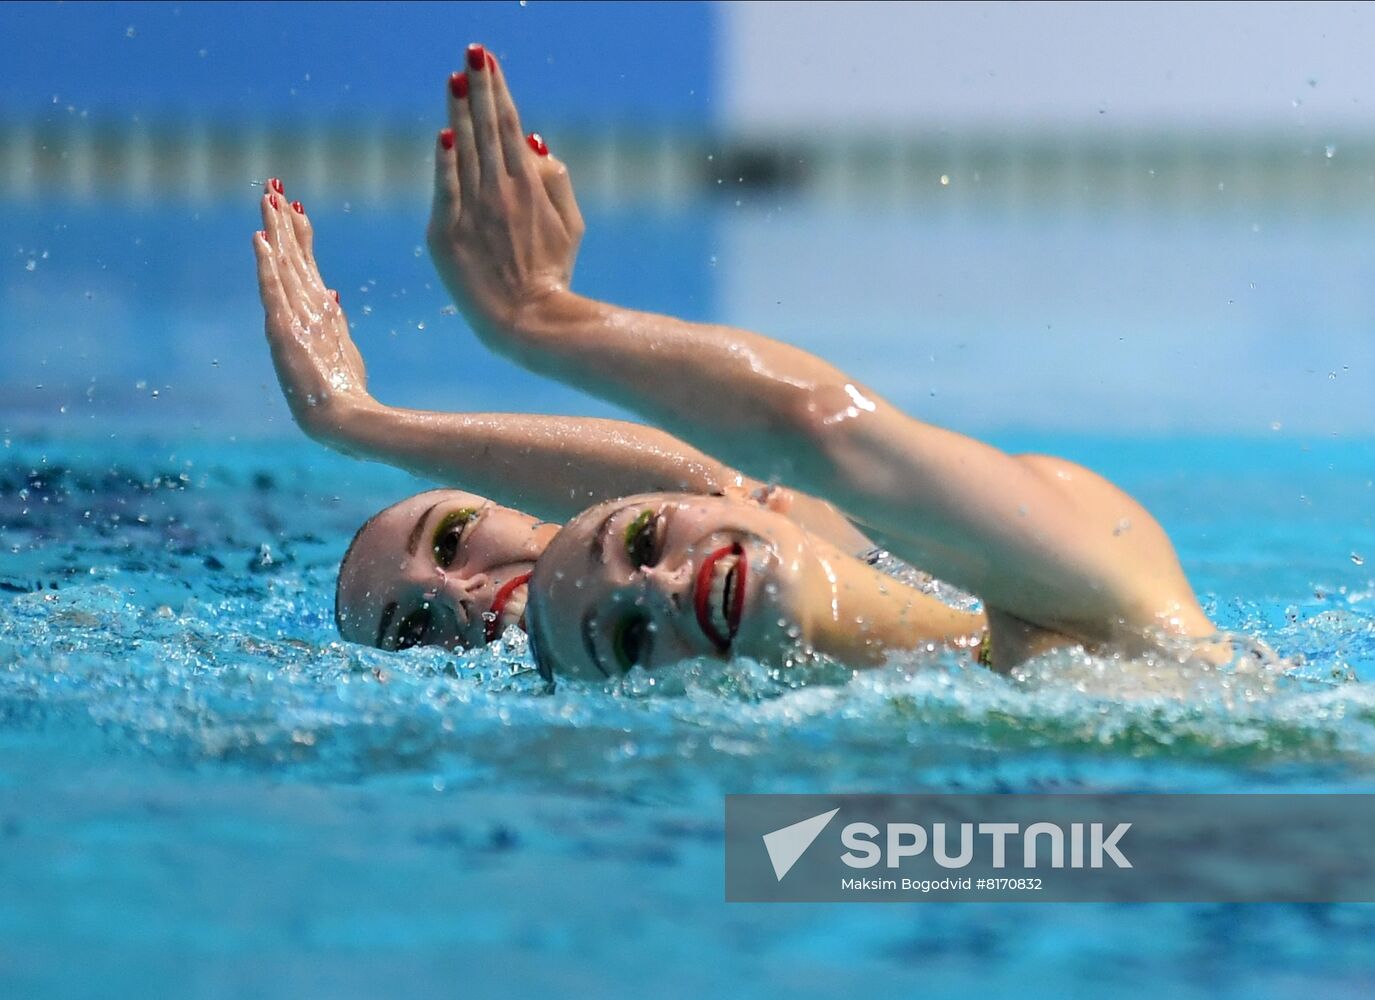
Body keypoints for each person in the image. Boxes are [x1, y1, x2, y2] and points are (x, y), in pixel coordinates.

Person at [383, 43, 1224, 680]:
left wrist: (540, 321)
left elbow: (814, 433)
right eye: (629, 642)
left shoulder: (1057, 606)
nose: (654, 590)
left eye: (641, 537)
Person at [251, 92, 880, 651]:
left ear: (528, 500)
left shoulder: (729, 569)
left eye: (449, 540)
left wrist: (362, 423)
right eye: (411, 630)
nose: (447, 592)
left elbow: (731, 499)